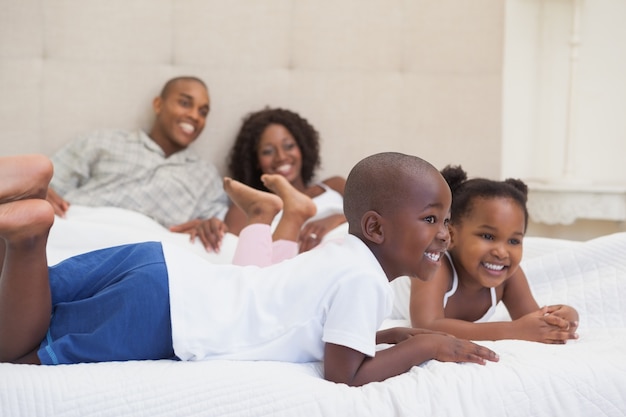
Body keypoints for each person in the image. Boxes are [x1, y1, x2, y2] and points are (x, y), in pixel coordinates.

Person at [0, 152, 499, 387]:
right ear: (375, 227)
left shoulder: (341, 254)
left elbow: (320, 327)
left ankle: (31, 204)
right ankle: (29, 235)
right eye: (432, 219)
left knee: (34, 300)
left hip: (160, 265)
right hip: (167, 314)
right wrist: (429, 345)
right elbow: (346, 373)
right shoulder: (364, 281)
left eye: (448, 221)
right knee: (17, 353)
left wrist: (390, 335)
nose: (444, 234)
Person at [46, 76, 229, 252]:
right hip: (78, 234)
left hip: (147, 253)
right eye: (185, 103)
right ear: (158, 105)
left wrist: (211, 226)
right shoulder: (103, 141)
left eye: (203, 112)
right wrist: (40, 192)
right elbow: (48, 186)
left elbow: (217, 227)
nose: (194, 116)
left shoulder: (205, 175)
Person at [409, 165, 580, 344]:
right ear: (451, 236)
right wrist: (514, 330)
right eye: (488, 236)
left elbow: (532, 320)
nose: (501, 252)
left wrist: (562, 318)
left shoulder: (508, 275)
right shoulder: (434, 261)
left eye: (514, 241)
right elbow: (426, 326)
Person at [221, 107, 346, 254]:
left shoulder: (335, 185)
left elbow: (376, 215)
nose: (281, 157)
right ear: (255, 161)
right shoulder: (249, 207)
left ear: (302, 148)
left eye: (289, 146)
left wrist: (339, 218)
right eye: (268, 151)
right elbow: (235, 257)